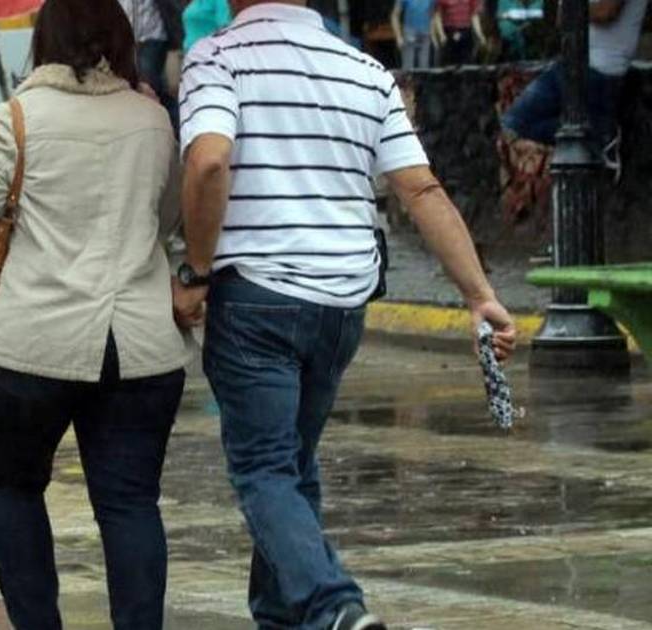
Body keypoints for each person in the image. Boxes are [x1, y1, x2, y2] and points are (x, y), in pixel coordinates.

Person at [175, 1, 518, 628]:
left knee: (264, 469)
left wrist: (195, 271)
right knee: (291, 466)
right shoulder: (364, 69)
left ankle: (334, 607)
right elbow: (421, 188)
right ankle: (287, 618)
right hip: (341, 305)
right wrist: (479, 294)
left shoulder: (217, 57)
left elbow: (209, 160)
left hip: (256, 298)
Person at [0, 0, 189, 626]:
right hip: (139, 349)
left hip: (30, 346)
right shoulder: (153, 121)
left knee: (13, 489)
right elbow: (165, 220)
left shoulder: (17, 118)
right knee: (131, 503)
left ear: (44, 41)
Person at [501, 0, 648, 176]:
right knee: (516, 122)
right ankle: (599, 132)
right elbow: (561, 18)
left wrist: (572, 11)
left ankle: (600, 133)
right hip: (574, 62)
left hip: (600, 68)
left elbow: (606, 12)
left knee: (518, 120)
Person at [119, 0, 183, 123]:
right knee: (136, 84)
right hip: (127, 39)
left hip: (153, 36)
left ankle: (171, 120)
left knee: (149, 82)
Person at [432, 0, 487, 65]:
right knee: (449, 62)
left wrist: (480, 34)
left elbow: (474, 16)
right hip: (449, 32)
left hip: (466, 32)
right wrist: (441, 34)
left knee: (467, 62)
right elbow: (438, 16)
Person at [391, 0, 436, 69]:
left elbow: (432, 15)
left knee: (424, 67)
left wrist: (433, 35)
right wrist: (398, 37)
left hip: (425, 33)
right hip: (410, 33)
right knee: (408, 67)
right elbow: (395, 15)